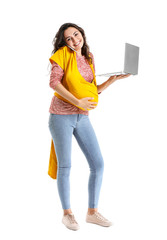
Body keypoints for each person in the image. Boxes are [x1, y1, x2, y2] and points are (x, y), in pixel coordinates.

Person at [48, 22, 130, 231]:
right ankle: (67, 215)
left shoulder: (89, 57)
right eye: (69, 38)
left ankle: (92, 212)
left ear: (82, 34)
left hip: (82, 117)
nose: (75, 40)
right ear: (64, 42)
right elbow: (54, 83)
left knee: (98, 164)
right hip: (61, 116)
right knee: (65, 166)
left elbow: (91, 89)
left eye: (76, 34)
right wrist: (78, 102)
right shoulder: (61, 55)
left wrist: (113, 79)